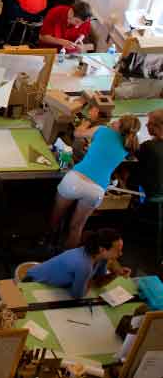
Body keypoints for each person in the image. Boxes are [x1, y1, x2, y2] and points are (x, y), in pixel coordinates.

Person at [51, 115, 141, 248]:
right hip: (96, 190)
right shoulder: (129, 144)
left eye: (117, 121)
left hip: (75, 181)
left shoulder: (103, 130)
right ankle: (68, 261)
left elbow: (77, 133)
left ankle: (49, 242)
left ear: (119, 125)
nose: (113, 121)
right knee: (77, 227)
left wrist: (89, 118)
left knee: (56, 217)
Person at [25, 228, 131, 298]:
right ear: (102, 249)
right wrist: (91, 281)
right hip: (34, 284)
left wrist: (116, 272)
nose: (120, 254)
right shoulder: (84, 265)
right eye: (117, 250)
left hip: (51, 284)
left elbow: (99, 280)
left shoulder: (100, 256)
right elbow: (77, 295)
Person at [136, 109, 163, 199]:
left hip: (153, 198)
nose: (146, 125)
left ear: (157, 125)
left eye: (149, 123)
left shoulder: (148, 146)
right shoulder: (149, 145)